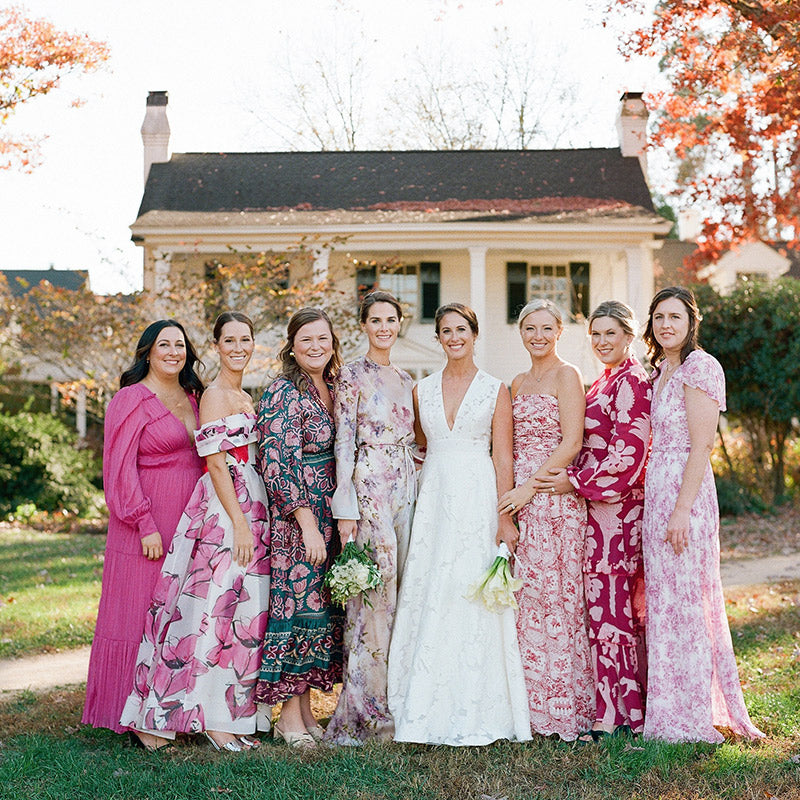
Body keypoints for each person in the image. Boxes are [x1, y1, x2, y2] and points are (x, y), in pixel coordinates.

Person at [119, 312, 270, 752]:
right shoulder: (215, 396)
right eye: (229, 340)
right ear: (217, 346)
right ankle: (196, 716)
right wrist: (239, 523)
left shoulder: (242, 395)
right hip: (228, 509)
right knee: (212, 611)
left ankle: (225, 713)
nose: (238, 348)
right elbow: (216, 464)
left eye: (245, 339)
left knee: (241, 614)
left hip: (253, 502)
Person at [387, 303, 531, 746]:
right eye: (446, 331)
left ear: (474, 334)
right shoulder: (421, 391)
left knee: (471, 588)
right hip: (434, 496)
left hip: (477, 497)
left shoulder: (495, 389)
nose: (454, 337)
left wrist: (505, 517)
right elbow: (421, 445)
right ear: (438, 338)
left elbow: (503, 456)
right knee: (432, 586)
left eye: (461, 329)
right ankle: (422, 701)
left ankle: (477, 701)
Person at [641, 286, 764, 743]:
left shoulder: (700, 367)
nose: (666, 325)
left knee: (689, 603)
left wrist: (680, 511)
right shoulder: (660, 370)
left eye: (675, 316)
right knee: (664, 604)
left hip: (685, 495)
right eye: (659, 317)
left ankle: (693, 713)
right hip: (657, 493)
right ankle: (668, 711)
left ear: (692, 321)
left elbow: (702, 445)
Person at [82, 320, 204, 750]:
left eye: (179, 345)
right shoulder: (130, 399)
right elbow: (118, 469)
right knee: (137, 613)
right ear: (148, 352)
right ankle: (133, 717)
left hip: (189, 521)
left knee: (176, 614)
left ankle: (166, 709)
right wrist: (144, 524)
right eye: (163, 344)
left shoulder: (194, 397)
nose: (173, 351)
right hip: (145, 527)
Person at [538, 300, 650, 741]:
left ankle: (626, 716)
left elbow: (628, 457)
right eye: (596, 335)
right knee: (602, 611)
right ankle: (607, 709)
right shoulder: (606, 378)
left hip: (618, 515)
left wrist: (574, 481)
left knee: (615, 614)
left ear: (629, 336)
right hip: (597, 513)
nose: (602, 342)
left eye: (610, 334)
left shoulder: (632, 381)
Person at [497, 298, 593, 741]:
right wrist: (510, 495)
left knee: (557, 600)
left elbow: (572, 442)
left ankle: (564, 708)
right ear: (520, 332)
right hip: (520, 499)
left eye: (546, 328)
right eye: (529, 328)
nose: (538, 336)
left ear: (559, 332)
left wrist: (529, 489)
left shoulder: (567, 375)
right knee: (527, 600)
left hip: (552, 499)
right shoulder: (517, 382)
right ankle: (529, 710)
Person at [325, 291, 415, 746]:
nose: (383, 327)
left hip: (405, 485)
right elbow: (343, 439)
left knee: (402, 591)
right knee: (374, 597)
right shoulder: (351, 374)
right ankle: (364, 710)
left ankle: (397, 697)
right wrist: (346, 507)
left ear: (400, 323)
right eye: (375, 320)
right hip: (369, 486)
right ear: (363, 325)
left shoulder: (405, 377)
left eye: (390, 319)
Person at [254, 307, 344, 749]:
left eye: (322, 338)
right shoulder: (283, 391)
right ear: (291, 346)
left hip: (329, 513)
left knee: (317, 613)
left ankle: (306, 712)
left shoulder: (332, 386)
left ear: (333, 342)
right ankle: (287, 718)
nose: (315, 346)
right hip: (298, 520)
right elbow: (276, 463)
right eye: (306, 339)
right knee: (295, 610)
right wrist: (307, 524)